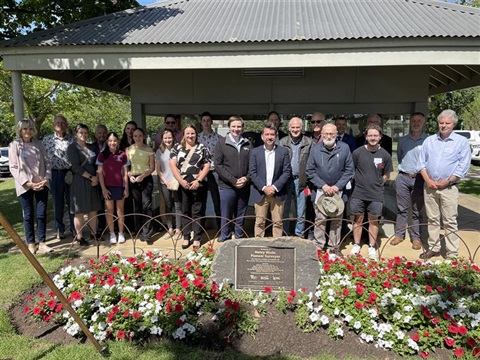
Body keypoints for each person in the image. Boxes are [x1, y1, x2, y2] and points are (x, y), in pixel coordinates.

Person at [417, 109, 471, 259]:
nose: (444, 126)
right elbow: (421, 163)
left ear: (453, 124)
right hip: (429, 187)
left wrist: (447, 181)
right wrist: (428, 180)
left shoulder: (461, 142)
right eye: (441, 123)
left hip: (449, 188)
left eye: (447, 123)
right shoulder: (429, 140)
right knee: (432, 219)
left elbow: (463, 166)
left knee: (449, 221)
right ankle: (434, 248)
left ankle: (452, 253)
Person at [306, 123, 354, 256]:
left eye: (331, 133)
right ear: (321, 134)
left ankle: (334, 246)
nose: (329, 136)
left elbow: (349, 170)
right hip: (321, 191)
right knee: (320, 220)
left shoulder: (344, 148)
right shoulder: (315, 149)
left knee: (337, 220)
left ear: (336, 134)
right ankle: (318, 246)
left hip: (338, 191)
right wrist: (324, 185)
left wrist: (337, 186)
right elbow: (309, 171)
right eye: (326, 133)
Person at [9, 119, 53, 254]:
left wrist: (46, 178)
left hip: (41, 184)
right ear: (20, 131)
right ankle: (31, 243)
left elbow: (48, 163)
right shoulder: (14, 145)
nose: (27, 131)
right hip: (25, 186)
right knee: (28, 215)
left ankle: (42, 242)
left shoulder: (39, 144)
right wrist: (27, 183)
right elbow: (14, 167)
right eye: (24, 129)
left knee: (41, 214)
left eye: (30, 129)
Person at [350, 124, 393, 261]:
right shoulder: (357, 153)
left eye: (375, 135)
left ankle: (371, 246)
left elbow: (387, 174)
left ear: (380, 137)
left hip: (376, 194)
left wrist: (379, 182)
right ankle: (356, 244)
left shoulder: (385, 155)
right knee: (358, 219)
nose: (373, 138)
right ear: (366, 136)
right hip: (359, 192)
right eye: (370, 135)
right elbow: (351, 170)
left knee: (373, 220)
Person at [390, 112, 428, 250]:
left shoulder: (428, 140)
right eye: (414, 121)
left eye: (419, 121)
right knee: (401, 209)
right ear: (410, 123)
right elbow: (400, 158)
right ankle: (399, 235)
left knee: (417, 210)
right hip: (403, 177)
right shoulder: (402, 140)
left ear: (423, 123)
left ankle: (416, 238)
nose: (416, 123)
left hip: (419, 179)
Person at [170, 125, 211, 250]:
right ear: (184, 134)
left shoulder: (202, 147)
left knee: (197, 211)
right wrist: (181, 181)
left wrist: (198, 180)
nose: (190, 136)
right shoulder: (177, 147)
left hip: (198, 184)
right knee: (185, 211)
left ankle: (197, 237)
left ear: (196, 134)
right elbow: (172, 165)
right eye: (187, 133)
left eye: (192, 133)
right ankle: (186, 236)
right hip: (183, 184)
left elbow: (207, 165)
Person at [214, 116, 252, 242]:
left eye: (239, 126)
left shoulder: (248, 143)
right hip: (227, 187)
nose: (236, 129)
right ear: (229, 127)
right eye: (234, 126)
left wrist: (246, 179)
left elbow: (253, 165)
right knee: (226, 215)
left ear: (242, 128)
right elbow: (218, 165)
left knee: (240, 216)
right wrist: (233, 180)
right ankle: (225, 238)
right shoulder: (221, 143)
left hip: (244, 186)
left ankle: (239, 239)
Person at [249, 123, 291, 238]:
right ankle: (258, 246)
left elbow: (287, 172)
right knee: (259, 223)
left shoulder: (283, 152)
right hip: (260, 193)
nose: (269, 137)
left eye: (272, 134)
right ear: (262, 136)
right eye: (267, 134)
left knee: (278, 223)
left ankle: (277, 247)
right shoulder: (255, 152)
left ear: (276, 136)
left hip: (278, 193)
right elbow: (252, 173)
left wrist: (274, 187)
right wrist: (264, 188)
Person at [66, 124, 102, 246]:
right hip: (80, 181)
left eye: (85, 132)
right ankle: (80, 236)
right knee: (79, 210)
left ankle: (94, 233)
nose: (83, 135)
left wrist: (96, 177)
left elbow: (98, 162)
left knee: (93, 208)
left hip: (94, 181)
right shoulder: (72, 148)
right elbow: (76, 167)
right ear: (76, 133)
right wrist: (91, 177)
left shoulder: (92, 147)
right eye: (81, 132)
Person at [42, 114, 75, 240]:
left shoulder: (72, 139)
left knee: (72, 202)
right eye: (57, 122)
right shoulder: (47, 140)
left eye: (62, 122)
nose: (60, 125)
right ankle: (59, 229)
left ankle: (74, 228)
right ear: (53, 125)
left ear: (66, 125)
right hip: (55, 174)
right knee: (58, 203)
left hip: (70, 173)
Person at [279, 117, 312, 237]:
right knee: (285, 210)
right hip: (286, 180)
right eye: (293, 127)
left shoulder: (309, 142)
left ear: (302, 128)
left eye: (298, 127)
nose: (295, 129)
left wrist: (309, 182)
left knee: (301, 211)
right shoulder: (282, 142)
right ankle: (285, 234)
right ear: (289, 128)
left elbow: (312, 163)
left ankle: (299, 235)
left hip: (301, 180)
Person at [97, 132, 129, 244]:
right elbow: (100, 173)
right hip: (107, 187)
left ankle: (121, 233)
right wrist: (103, 189)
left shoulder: (123, 155)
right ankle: (111, 233)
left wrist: (126, 188)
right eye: (110, 140)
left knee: (120, 211)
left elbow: (125, 173)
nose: (112, 143)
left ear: (118, 141)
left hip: (119, 186)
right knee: (109, 211)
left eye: (114, 140)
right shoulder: (102, 154)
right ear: (107, 142)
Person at [126, 128, 155, 241]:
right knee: (137, 206)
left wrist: (143, 176)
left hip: (145, 178)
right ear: (132, 137)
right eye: (135, 136)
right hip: (134, 179)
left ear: (143, 136)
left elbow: (152, 167)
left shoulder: (149, 149)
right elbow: (126, 167)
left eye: (140, 135)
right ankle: (140, 230)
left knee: (146, 205)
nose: (138, 138)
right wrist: (130, 176)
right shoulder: (129, 149)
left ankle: (147, 232)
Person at [155, 129, 182, 240]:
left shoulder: (179, 149)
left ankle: (179, 229)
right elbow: (158, 169)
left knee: (177, 205)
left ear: (173, 138)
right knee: (168, 205)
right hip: (165, 182)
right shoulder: (159, 151)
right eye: (165, 138)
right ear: (162, 139)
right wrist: (165, 181)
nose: (167, 140)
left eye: (169, 137)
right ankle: (170, 228)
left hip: (176, 182)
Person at [197, 111, 222, 228]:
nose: (206, 123)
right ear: (201, 122)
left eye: (208, 120)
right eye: (204, 121)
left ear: (211, 122)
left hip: (214, 172)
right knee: (200, 201)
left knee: (217, 200)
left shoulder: (219, 138)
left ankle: (220, 226)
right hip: (200, 173)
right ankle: (200, 227)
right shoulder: (196, 138)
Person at [92, 124, 108, 235]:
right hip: (95, 179)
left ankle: (112, 225)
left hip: (109, 178)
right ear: (95, 134)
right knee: (98, 204)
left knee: (109, 203)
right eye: (99, 133)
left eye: (104, 133)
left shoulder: (111, 145)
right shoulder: (91, 147)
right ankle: (101, 226)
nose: (102, 135)